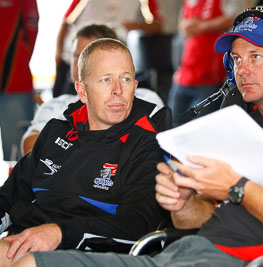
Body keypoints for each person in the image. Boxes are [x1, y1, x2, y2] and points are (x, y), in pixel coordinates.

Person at [14, 5, 263, 267]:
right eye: (236, 58)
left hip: (224, 259)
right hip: (180, 250)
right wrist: (182, 200)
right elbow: (201, 220)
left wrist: (236, 185)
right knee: (24, 259)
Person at [0, 38, 170, 266]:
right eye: (105, 79)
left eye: (126, 79)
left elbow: (137, 225)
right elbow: (8, 197)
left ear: (135, 87)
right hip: (25, 240)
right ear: (82, 90)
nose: (117, 90)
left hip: (93, 253)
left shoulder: (148, 143)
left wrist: (60, 232)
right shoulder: (55, 133)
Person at [21, 24, 118, 155]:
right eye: (77, 56)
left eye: (90, 55)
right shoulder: (54, 106)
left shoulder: (143, 100)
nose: (81, 63)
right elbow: (31, 149)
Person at [53, 0, 162, 97]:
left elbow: (157, 25)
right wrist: (58, 54)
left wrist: (131, 25)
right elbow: (66, 22)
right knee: (65, 106)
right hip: (73, 57)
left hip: (108, 61)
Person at [168, 0, 247, 126]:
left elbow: (238, 19)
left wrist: (203, 26)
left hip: (210, 78)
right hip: (183, 75)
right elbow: (181, 25)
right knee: (170, 127)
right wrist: (186, 26)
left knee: (200, 131)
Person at [0, 0, 39, 161]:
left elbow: (30, 33)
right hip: (14, 85)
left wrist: (17, 63)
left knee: (19, 157)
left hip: (14, 85)